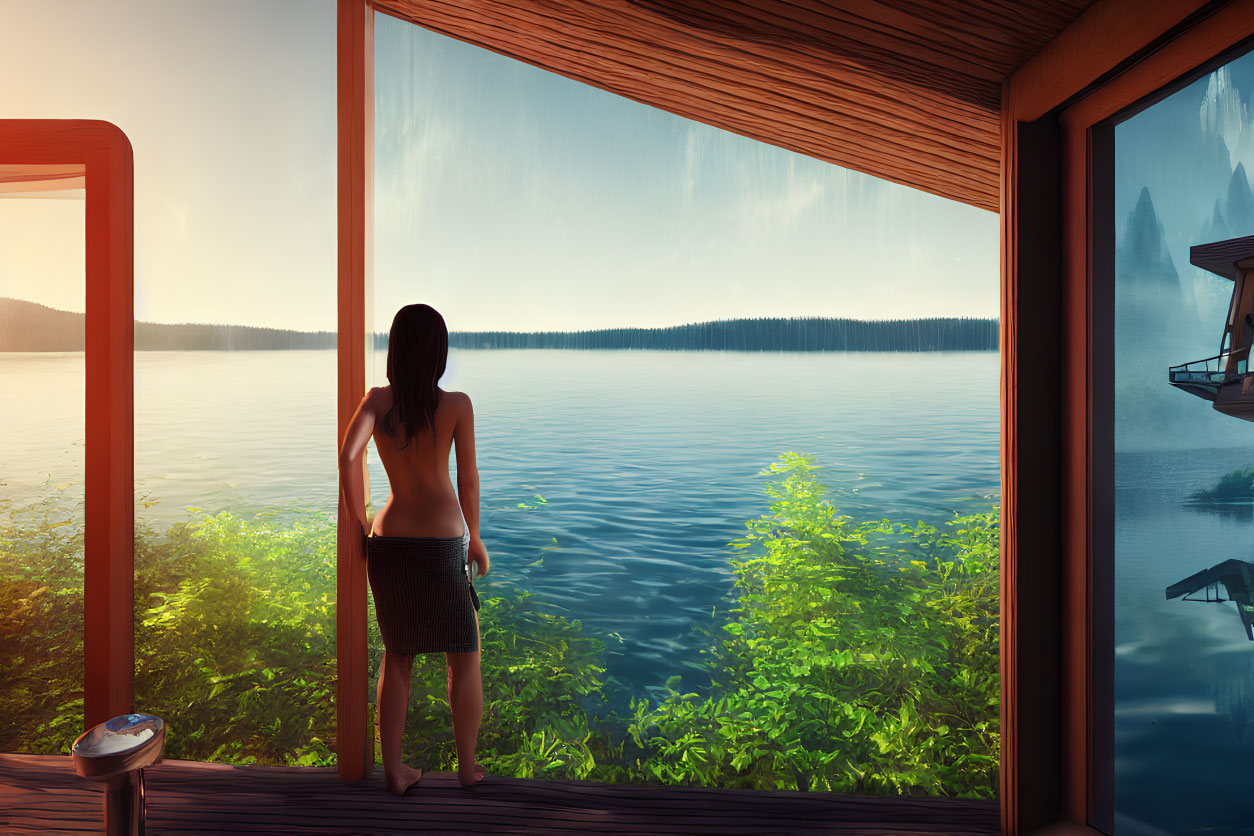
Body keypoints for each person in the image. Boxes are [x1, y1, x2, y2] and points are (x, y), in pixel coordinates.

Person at [338, 303, 491, 795]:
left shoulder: (378, 402)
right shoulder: (457, 405)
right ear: (438, 352)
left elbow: (348, 456)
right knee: (463, 656)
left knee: (398, 657)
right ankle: (467, 769)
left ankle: (395, 772)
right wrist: (478, 538)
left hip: (390, 544)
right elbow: (467, 481)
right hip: (443, 547)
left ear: (395, 349)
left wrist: (358, 522)